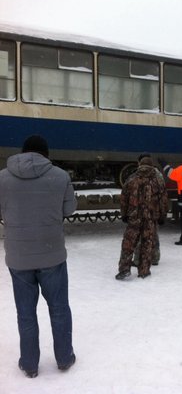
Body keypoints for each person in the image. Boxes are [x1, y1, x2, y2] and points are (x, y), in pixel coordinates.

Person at [0, 135, 77, 378]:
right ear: (46, 154)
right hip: (51, 254)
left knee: (25, 312)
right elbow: (69, 209)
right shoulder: (60, 176)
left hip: (18, 257)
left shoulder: (2, 178)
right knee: (59, 308)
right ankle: (64, 358)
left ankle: (30, 364)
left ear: (23, 152)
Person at [116, 155, 168, 280]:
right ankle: (144, 271)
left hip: (134, 217)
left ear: (140, 165)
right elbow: (163, 200)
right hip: (150, 218)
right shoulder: (158, 180)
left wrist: (124, 214)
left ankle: (124, 270)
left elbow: (124, 198)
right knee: (147, 244)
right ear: (152, 166)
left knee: (128, 244)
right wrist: (162, 215)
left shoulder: (131, 178)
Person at [132, 153, 163, 267]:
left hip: (139, 211)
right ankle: (154, 258)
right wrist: (162, 212)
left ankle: (137, 260)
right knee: (153, 234)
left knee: (139, 235)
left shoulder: (136, 175)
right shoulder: (158, 175)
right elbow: (162, 194)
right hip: (154, 210)